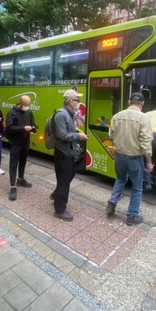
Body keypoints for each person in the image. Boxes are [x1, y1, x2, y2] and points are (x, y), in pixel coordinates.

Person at [106, 92, 153, 226]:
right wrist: (149, 162)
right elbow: (146, 143)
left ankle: (112, 203)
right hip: (134, 158)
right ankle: (132, 216)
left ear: (129, 102)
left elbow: (111, 135)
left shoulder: (117, 116)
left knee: (120, 179)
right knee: (137, 187)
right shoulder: (144, 118)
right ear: (142, 104)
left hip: (119, 156)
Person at [50, 90, 89, 221]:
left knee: (68, 176)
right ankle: (60, 210)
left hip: (68, 152)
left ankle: (56, 195)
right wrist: (78, 136)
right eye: (77, 100)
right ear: (71, 102)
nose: (78, 103)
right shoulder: (62, 115)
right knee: (64, 182)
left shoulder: (70, 114)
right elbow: (61, 135)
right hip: (63, 153)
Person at [5, 95, 36, 201]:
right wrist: (23, 128)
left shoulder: (29, 112)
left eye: (29, 105)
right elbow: (9, 128)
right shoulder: (12, 113)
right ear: (20, 103)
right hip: (15, 143)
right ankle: (13, 187)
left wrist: (33, 129)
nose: (27, 107)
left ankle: (21, 179)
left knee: (23, 162)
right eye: (26, 105)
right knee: (13, 164)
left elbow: (33, 125)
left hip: (25, 142)